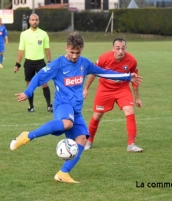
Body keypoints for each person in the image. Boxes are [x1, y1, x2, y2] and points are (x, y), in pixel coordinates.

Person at [10, 32, 143, 183]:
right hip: (62, 104)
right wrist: (28, 92)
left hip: (76, 109)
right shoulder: (58, 64)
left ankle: (63, 173)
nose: (74, 56)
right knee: (67, 123)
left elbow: (104, 73)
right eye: (71, 52)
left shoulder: (84, 63)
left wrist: (127, 76)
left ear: (82, 49)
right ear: (66, 48)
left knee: (82, 140)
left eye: (77, 52)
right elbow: (39, 76)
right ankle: (27, 136)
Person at [83, 38, 143, 152]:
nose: (121, 51)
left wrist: (137, 98)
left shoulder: (132, 61)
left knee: (130, 111)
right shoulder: (104, 58)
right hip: (105, 89)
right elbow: (93, 73)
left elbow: (135, 80)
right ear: (113, 49)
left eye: (123, 48)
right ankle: (89, 141)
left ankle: (131, 145)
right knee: (97, 115)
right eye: (118, 48)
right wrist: (86, 89)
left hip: (122, 89)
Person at [14, 14, 52, 112]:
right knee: (29, 85)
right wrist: (17, 64)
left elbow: (47, 49)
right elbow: (21, 50)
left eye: (36, 20)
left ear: (38, 21)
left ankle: (49, 106)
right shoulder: (24, 34)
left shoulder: (43, 34)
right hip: (29, 62)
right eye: (33, 20)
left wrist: (49, 61)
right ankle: (31, 107)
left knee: (44, 84)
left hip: (40, 62)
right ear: (29, 21)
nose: (34, 21)